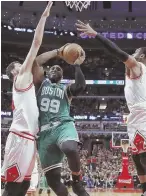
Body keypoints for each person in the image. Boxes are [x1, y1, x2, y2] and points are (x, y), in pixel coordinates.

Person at [76, 20, 146, 196]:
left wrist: (96, 35)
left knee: (143, 156)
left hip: (143, 114)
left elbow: (118, 52)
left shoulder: (137, 67)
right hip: (136, 116)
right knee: (137, 157)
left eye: (136, 52)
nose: (133, 53)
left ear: (143, 57)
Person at [1, 2, 53, 196]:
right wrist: (44, 17)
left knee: (23, 187)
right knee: (13, 187)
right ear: (15, 71)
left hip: (28, 139)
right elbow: (36, 44)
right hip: (20, 138)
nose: (24, 64)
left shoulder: (26, 84)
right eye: (19, 64)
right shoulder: (21, 77)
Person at [32, 45, 89, 196]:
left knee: (70, 148)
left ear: (62, 77)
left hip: (63, 124)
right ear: (47, 72)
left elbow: (81, 86)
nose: (55, 70)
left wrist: (77, 65)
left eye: (59, 70)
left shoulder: (65, 89)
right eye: (53, 68)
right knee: (52, 181)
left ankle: (77, 182)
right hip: (44, 133)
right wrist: (58, 52)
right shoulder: (40, 84)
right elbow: (36, 62)